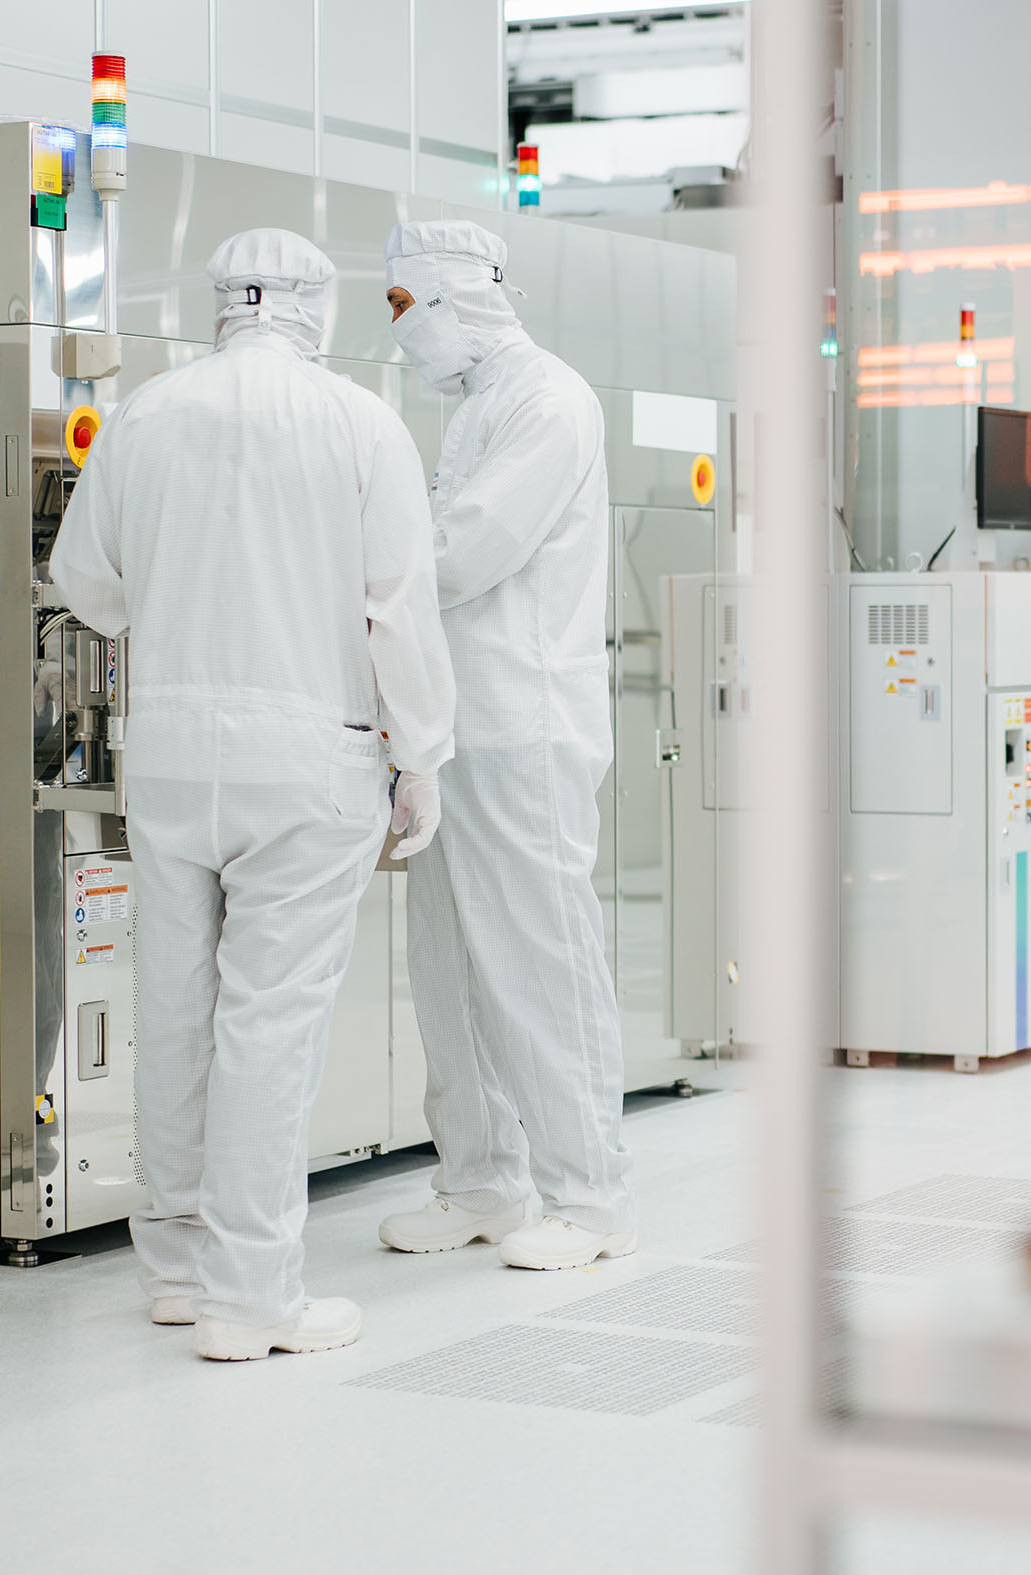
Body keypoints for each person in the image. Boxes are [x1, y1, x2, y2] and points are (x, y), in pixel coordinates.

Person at [49, 228, 453, 1359]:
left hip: (171, 755)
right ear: (315, 309)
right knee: (271, 1024)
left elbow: (84, 582)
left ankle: (176, 1268)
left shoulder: (147, 413)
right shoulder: (360, 422)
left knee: (174, 1012)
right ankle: (253, 1296)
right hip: (307, 761)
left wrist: (171, 606)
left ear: (224, 303)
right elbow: (396, 610)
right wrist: (421, 755)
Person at [373, 219, 637, 1271]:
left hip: (523, 725)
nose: (400, 337)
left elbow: (468, 550)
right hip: (448, 729)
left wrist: (348, 576)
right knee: (447, 963)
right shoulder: (479, 406)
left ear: (452, 296)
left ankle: (593, 1196)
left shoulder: (548, 400)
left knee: (540, 959)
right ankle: (481, 1181)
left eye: (404, 312)